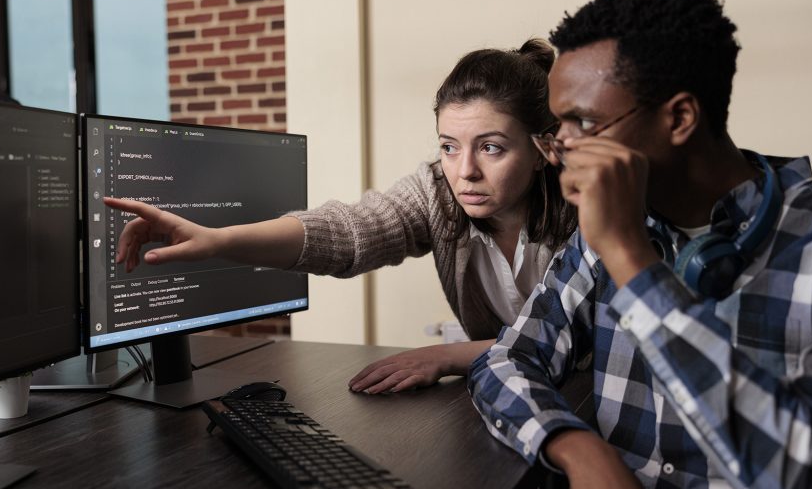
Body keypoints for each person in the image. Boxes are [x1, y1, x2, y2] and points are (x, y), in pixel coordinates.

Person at [470, 0, 812, 489]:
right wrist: (582, 453)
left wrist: (633, 264)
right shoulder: (599, 234)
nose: (562, 151)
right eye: (556, 129)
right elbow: (506, 360)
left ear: (680, 117)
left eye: (582, 123)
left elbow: (795, 480)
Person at [105, 40, 576, 393]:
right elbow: (350, 233)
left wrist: (451, 356)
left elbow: (574, 341)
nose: (465, 171)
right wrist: (217, 239)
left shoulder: (584, 208)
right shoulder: (437, 190)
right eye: (449, 147)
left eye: (491, 148)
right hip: (515, 395)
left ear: (542, 149)